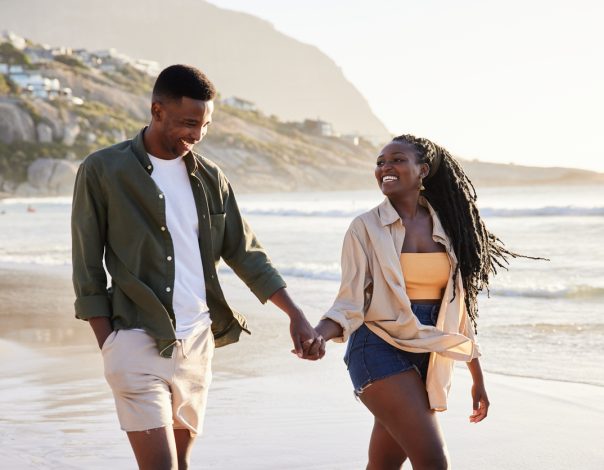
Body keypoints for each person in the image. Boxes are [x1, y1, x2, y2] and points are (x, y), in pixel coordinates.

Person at [71, 64, 324, 470]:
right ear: (157, 111)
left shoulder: (210, 178)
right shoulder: (103, 170)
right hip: (135, 338)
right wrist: (110, 345)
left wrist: (295, 315)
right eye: (189, 123)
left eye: (205, 125)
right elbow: (86, 267)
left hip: (196, 343)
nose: (197, 135)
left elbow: (245, 253)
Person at [314, 134, 527, 469]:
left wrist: (477, 377)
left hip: (430, 350)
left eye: (396, 160)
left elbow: (460, 311)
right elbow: (349, 302)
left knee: (383, 465)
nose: (385, 167)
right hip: (377, 346)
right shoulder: (364, 228)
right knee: (433, 461)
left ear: (423, 170)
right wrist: (319, 334)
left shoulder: (451, 227)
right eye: (380, 162)